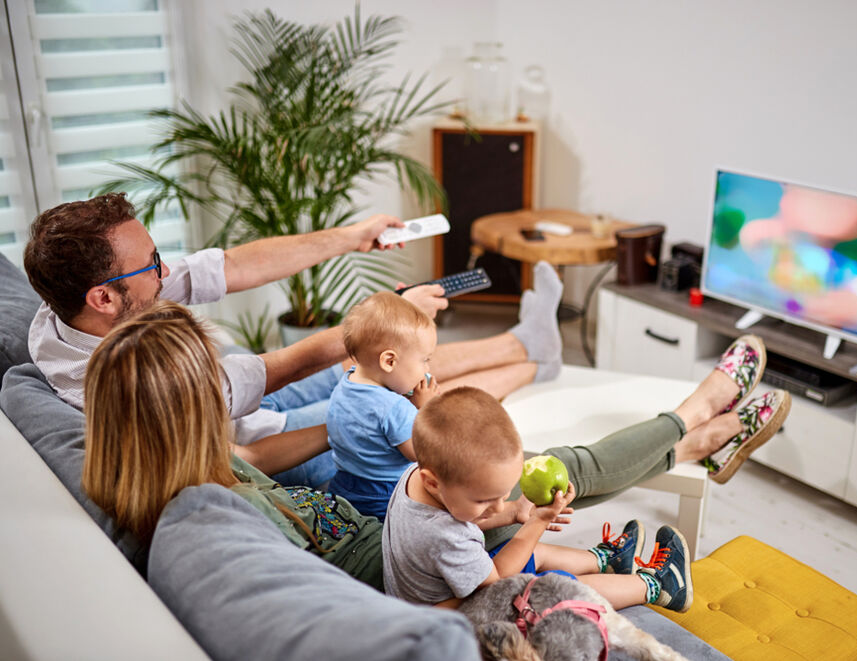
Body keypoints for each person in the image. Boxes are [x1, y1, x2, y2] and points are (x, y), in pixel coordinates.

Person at [81, 301, 790, 594]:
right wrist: (448, 501)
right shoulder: (208, 518)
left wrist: (344, 422)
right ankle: (702, 419)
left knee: (541, 469)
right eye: (212, 382)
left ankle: (700, 431)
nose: (228, 390)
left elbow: (255, 459)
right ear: (180, 415)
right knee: (556, 470)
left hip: (397, 513)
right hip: (411, 546)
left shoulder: (180, 471)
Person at [23, 193, 564, 488]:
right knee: (398, 386)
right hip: (265, 441)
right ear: (103, 298)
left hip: (246, 405)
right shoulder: (137, 382)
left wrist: (350, 238)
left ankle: (525, 342)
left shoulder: (63, 315)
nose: (166, 272)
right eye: (152, 265)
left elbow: (230, 266)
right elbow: (274, 374)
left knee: (389, 365)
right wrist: (376, 334)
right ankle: (535, 364)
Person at [382, 386, 695, 613]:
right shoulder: (445, 536)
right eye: (485, 500)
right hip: (462, 622)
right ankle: (659, 587)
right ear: (433, 481)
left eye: (504, 494)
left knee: (523, 549)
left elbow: (474, 522)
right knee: (553, 588)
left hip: (437, 597)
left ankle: (606, 561)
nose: (497, 506)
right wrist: (537, 522)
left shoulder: (416, 475)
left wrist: (514, 513)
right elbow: (498, 582)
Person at [324, 291, 440, 519]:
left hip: (343, 485)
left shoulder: (345, 384)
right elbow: (419, 454)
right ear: (389, 361)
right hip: (385, 496)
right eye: (424, 360)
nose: (427, 369)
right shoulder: (395, 407)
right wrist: (425, 410)